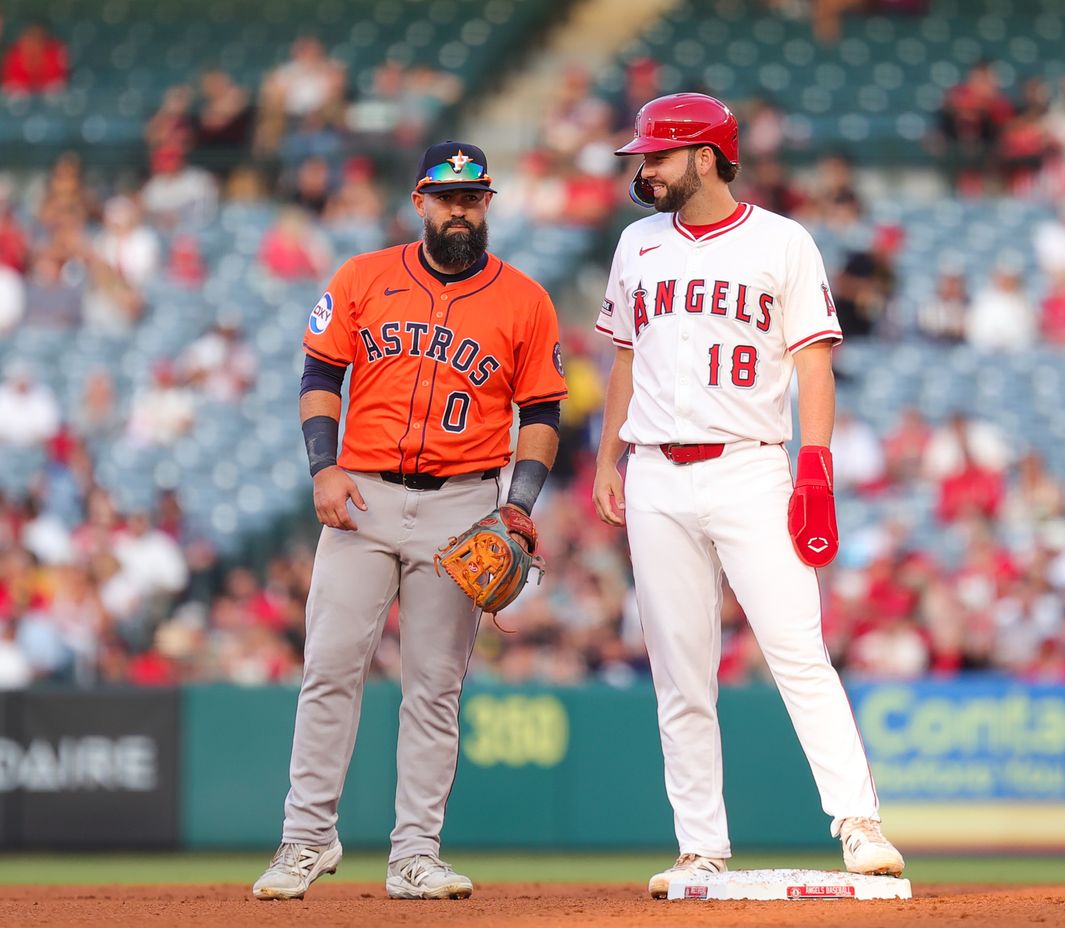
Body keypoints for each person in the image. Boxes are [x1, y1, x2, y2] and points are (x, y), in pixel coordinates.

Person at [590, 93, 903, 899]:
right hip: (655, 470)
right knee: (679, 672)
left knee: (798, 650)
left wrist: (816, 467)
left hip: (749, 465)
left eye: (657, 155)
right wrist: (606, 460)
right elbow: (625, 361)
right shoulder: (635, 245)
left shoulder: (782, 241)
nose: (644, 168)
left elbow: (813, 364)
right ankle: (699, 847)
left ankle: (859, 824)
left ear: (704, 156)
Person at [252, 141, 567, 901]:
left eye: (472, 197)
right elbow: (321, 373)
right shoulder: (363, 277)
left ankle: (415, 854)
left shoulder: (525, 298)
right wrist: (323, 467)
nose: (459, 209)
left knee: (434, 685)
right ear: (419, 201)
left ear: (487, 204)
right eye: (446, 196)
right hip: (360, 494)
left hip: (462, 504)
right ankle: (306, 839)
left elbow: (544, 411)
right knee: (329, 667)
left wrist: (516, 509)